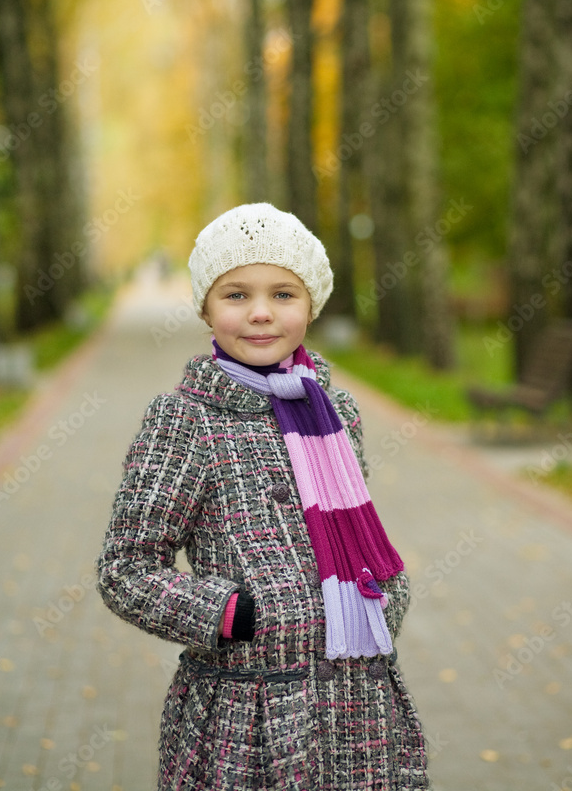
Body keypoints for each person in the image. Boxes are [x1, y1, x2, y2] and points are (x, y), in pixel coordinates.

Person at [96, 202, 429, 791]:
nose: (259, 314)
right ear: (206, 307)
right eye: (235, 295)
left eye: (282, 294)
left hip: (360, 705)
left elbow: (351, 537)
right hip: (250, 713)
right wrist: (230, 614)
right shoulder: (185, 419)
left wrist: (387, 591)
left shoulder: (336, 413)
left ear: (310, 306)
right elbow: (126, 568)